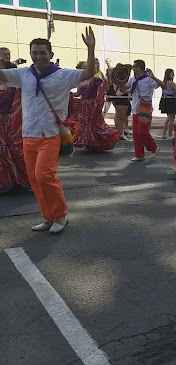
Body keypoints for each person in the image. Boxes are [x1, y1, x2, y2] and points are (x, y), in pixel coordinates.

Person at [0, 28, 97, 233]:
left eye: (42, 52)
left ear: (51, 55)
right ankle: (48, 217)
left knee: (44, 175)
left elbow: (89, 73)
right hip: (28, 133)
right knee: (34, 179)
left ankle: (60, 216)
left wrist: (91, 48)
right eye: (34, 52)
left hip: (51, 133)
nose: (38, 56)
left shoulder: (63, 75)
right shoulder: (23, 73)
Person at [66, 61, 120, 150]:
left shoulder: (95, 79)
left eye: (86, 68)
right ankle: (88, 142)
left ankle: (95, 142)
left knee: (93, 124)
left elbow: (103, 89)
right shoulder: (81, 81)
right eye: (83, 68)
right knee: (84, 124)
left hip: (93, 105)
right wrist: (69, 94)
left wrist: (98, 102)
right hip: (84, 105)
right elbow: (78, 93)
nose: (85, 70)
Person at [121, 59, 164, 161]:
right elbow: (124, 89)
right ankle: (139, 155)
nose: (133, 68)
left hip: (145, 107)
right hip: (136, 107)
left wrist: (153, 77)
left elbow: (163, 85)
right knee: (136, 133)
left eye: (134, 66)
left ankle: (153, 147)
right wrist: (120, 81)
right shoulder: (133, 79)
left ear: (139, 67)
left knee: (142, 131)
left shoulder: (148, 79)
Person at [0, 59, 29, 193]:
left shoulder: (15, 86)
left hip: (10, 123)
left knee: (12, 151)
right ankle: (6, 181)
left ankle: (21, 179)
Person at [107, 69, 131, 141]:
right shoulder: (117, 81)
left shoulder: (124, 80)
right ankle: (119, 133)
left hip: (124, 99)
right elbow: (119, 91)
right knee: (119, 116)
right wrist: (130, 89)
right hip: (120, 99)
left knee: (123, 116)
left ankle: (121, 132)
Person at [159, 68, 176, 140]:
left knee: (168, 118)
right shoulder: (171, 83)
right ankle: (170, 134)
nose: (173, 75)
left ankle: (164, 133)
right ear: (168, 74)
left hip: (165, 100)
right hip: (171, 100)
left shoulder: (163, 82)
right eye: (172, 74)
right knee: (172, 118)